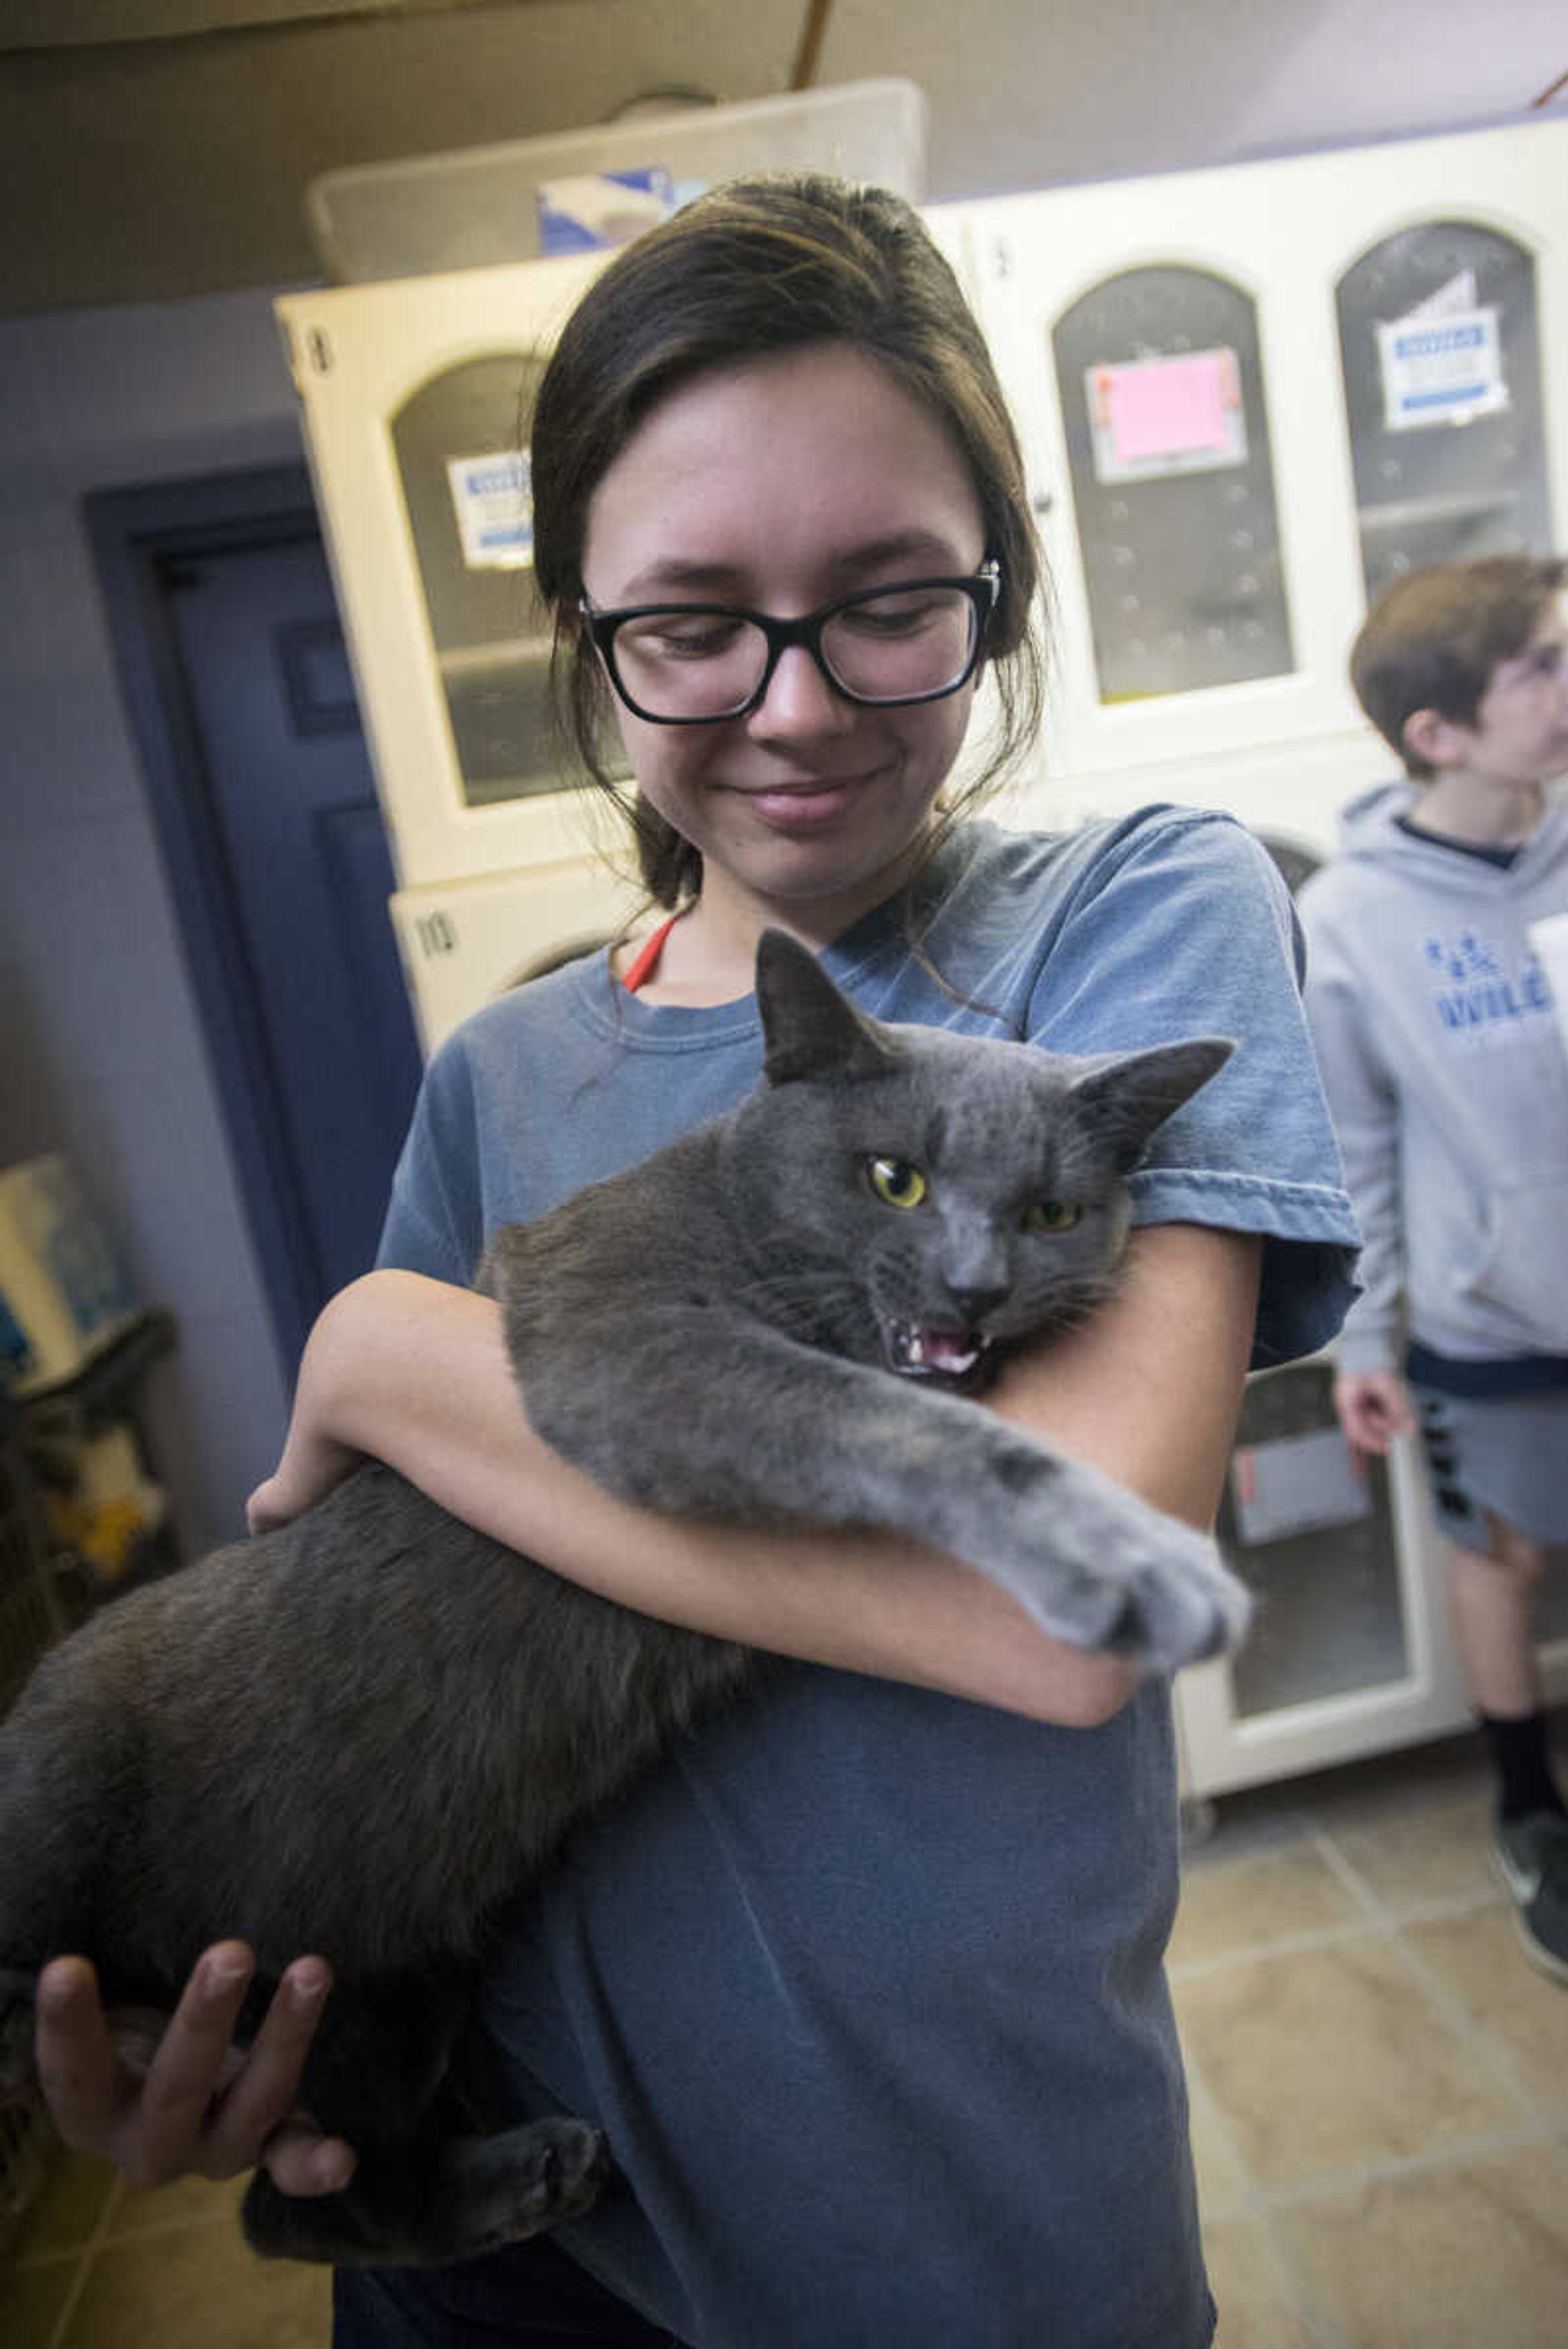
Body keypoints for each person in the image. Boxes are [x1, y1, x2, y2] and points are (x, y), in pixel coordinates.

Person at [34, 175, 1357, 2346]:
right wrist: (242, 2004)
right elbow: (361, 1650)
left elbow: (1070, 1594)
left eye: (888, 598)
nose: (799, 698)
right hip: (491, 2251)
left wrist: (395, 1348)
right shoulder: (501, 1076)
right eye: (691, 618)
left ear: (1001, 591)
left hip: (954, 2235)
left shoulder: (1128, 919)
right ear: (589, 630)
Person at [1298, 554, 1568, 1983]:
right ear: (1438, 735)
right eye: (1541, 666)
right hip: (1490, 1317)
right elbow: (1359, 1144)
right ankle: (1534, 1813)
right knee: (1502, 1557)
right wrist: (1363, 1342)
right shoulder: (1347, 918)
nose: (1567, 686)